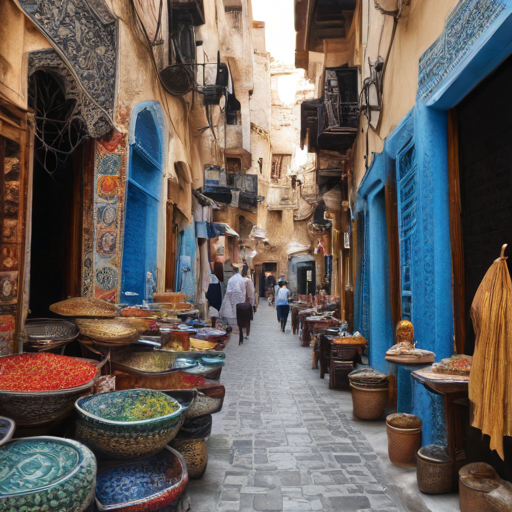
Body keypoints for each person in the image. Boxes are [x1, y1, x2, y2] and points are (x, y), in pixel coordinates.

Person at [219, 265, 246, 331]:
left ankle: (234, 326)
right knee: (238, 311)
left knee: (232, 311)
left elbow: (228, 290)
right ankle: (238, 326)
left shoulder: (231, 279)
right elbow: (243, 290)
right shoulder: (241, 278)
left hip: (231, 295)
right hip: (239, 296)